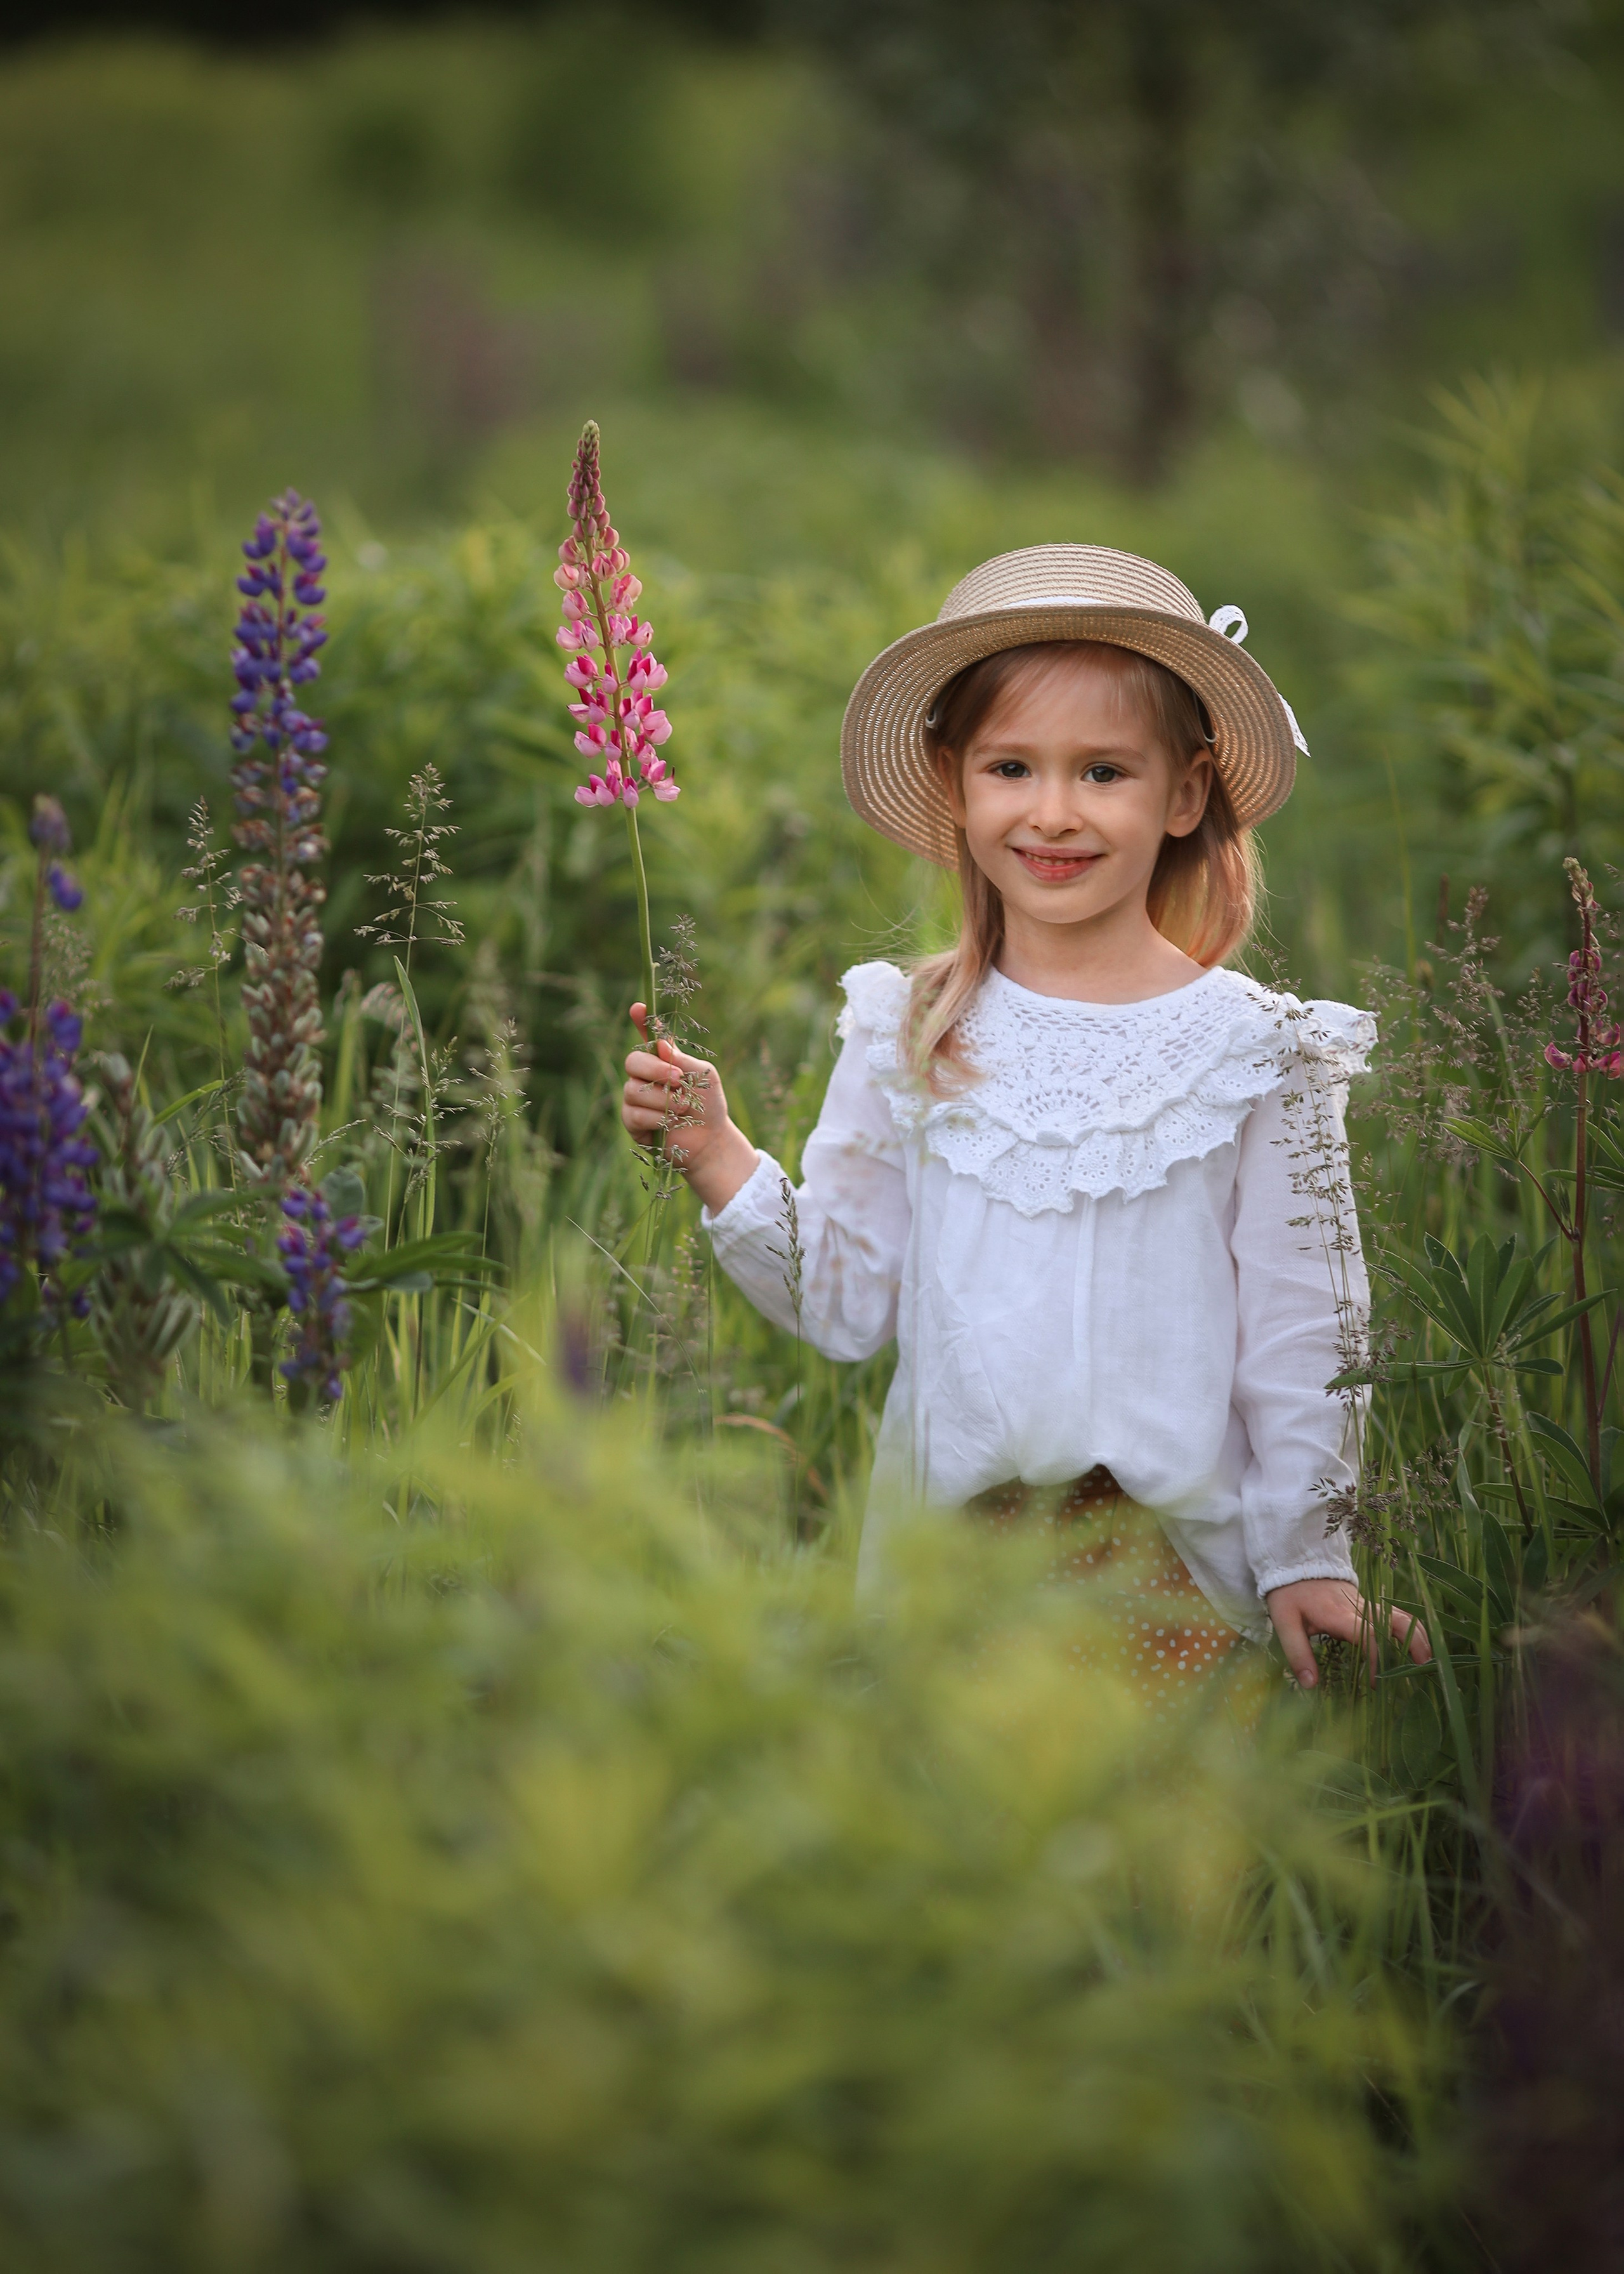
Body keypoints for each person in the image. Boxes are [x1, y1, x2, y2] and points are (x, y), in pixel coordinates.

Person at [622, 543, 1429, 1696]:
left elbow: (1307, 1333)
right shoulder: (912, 1030)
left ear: (1186, 793)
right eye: (1012, 767)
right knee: (976, 1859)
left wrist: (1311, 1551)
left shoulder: (1261, 1052)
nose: (1053, 813)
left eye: (1105, 771)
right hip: (960, 1571)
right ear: (956, 784)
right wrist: (718, 1155)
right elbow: (846, 1301)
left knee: (1162, 1864)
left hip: (1178, 1577)